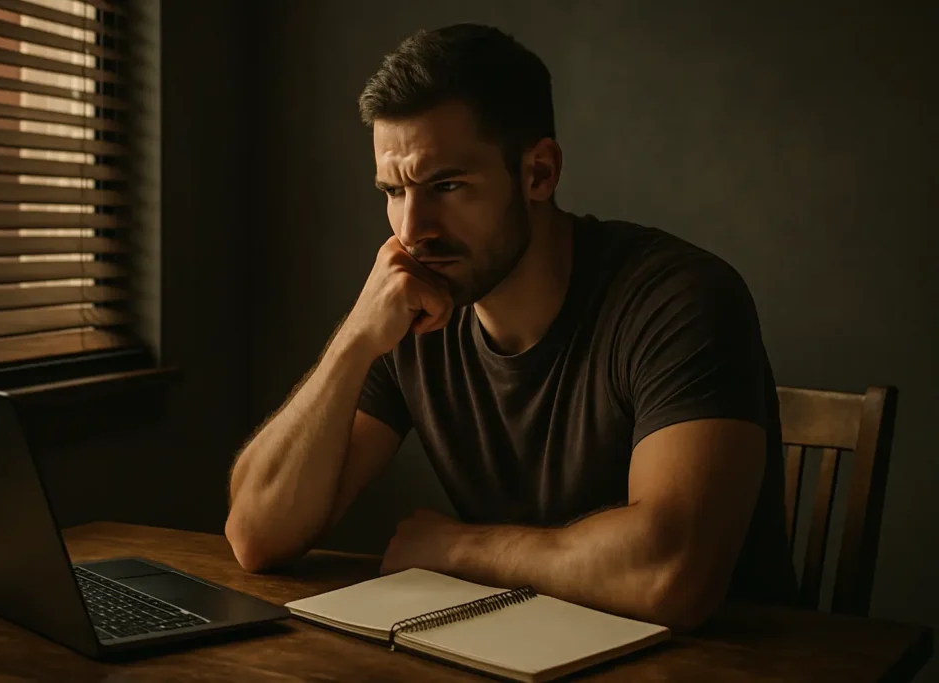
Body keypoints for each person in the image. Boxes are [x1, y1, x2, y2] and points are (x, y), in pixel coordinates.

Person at [226, 23, 798, 632]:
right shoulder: (415, 308)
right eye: (394, 191)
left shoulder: (678, 300)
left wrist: (454, 550)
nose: (412, 229)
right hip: (518, 651)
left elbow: (672, 573)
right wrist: (354, 340)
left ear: (539, 173)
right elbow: (258, 536)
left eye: (446, 185)